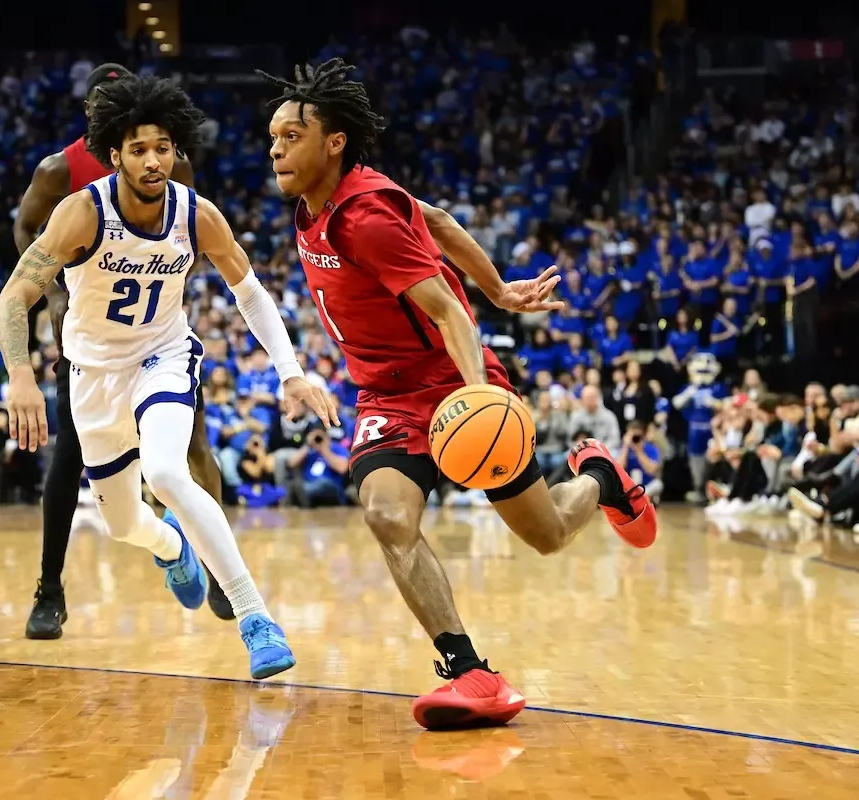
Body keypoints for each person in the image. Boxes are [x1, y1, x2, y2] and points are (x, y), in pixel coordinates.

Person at [260, 58, 657, 729]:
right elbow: (437, 218)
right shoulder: (315, 205)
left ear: (334, 143)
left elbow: (448, 312)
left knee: (549, 535)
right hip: (385, 398)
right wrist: (498, 288)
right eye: (272, 137)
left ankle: (599, 478)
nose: (275, 149)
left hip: (452, 381)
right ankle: (471, 672)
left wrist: (477, 393)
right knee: (387, 516)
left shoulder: (365, 218)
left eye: (291, 136)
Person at [0, 74, 337, 680]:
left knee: (166, 470)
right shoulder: (81, 212)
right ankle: (174, 546)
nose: (153, 161)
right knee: (125, 523)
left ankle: (255, 617)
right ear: (115, 155)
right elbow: (13, 296)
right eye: (138, 150)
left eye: (162, 148)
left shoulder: (196, 214)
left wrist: (291, 372)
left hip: (163, 356)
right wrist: (20, 375)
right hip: (92, 374)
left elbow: (250, 292)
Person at [13, 63, 233, 637]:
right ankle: (50, 588)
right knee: (68, 459)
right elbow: (25, 230)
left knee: (195, 447)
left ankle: (219, 566)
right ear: (93, 115)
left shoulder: (169, 164)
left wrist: (170, 277)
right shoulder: (59, 171)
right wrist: (56, 289)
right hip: (90, 343)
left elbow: (191, 230)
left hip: (157, 338)